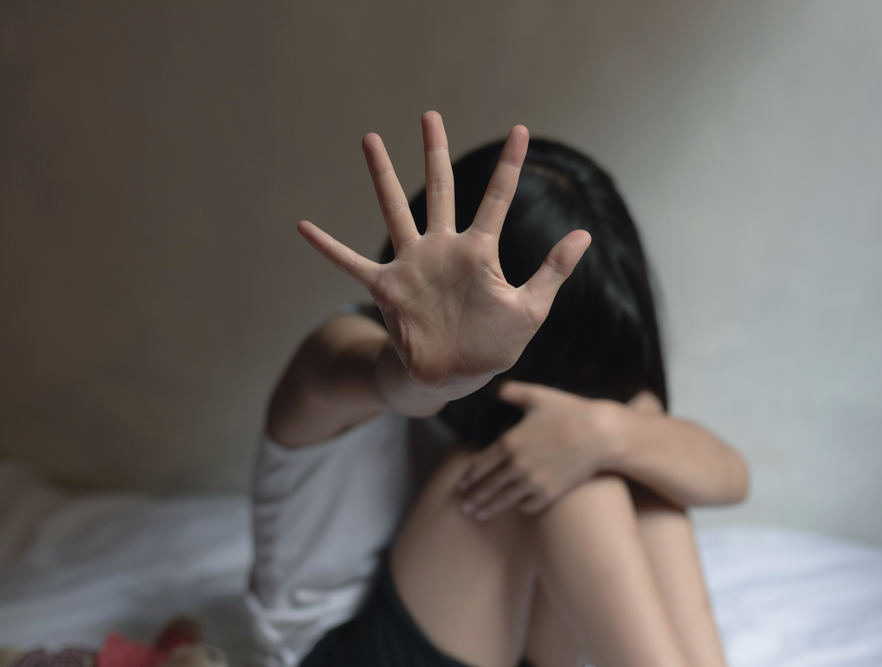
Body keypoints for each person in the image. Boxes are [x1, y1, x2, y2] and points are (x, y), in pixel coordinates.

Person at [247, 111, 749, 667]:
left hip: (491, 644)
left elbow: (731, 479)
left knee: (613, 440)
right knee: (556, 459)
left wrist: (604, 430)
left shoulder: (569, 413)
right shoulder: (335, 350)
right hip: (338, 656)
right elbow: (384, 379)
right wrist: (434, 378)